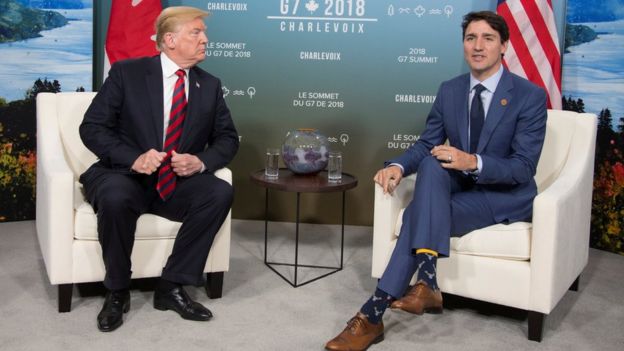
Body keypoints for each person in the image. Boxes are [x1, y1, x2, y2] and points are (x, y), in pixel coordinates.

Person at [325, 10, 547, 350]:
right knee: (430, 164)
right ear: (463, 45)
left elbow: (522, 167)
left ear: (504, 45)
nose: (478, 46)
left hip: (504, 194)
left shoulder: (528, 96)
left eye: (488, 38)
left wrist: (471, 161)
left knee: (417, 215)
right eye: (471, 38)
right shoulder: (450, 90)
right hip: (459, 186)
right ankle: (426, 280)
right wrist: (398, 166)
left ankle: (374, 313)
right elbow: (429, 143)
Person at [79, 6, 239, 332]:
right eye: (196, 32)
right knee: (114, 196)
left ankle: (172, 286)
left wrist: (202, 161)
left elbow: (227, 138)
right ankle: (117, 290)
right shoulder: (128, 73)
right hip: (124, 174)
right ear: (169, 40)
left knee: (219, 191)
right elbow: (92, 128)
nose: (205, 39)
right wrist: (134, 157)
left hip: (175, 182)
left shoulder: (208, 85)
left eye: (203, 33)